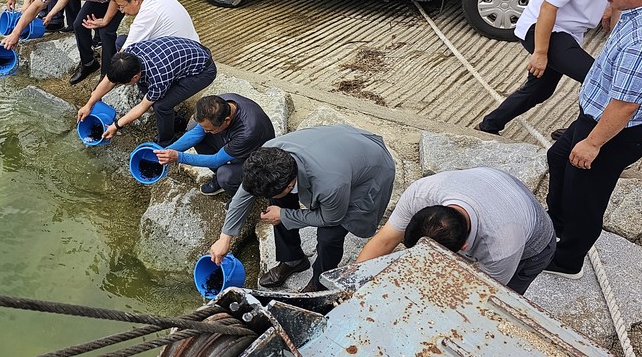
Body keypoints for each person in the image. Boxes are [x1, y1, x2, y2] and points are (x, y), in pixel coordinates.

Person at [476, 0, 642, 137]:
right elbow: (548, 7)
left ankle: (488, 125)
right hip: (543, 28)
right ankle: (581, 135)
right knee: (598, 79)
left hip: (569, 31)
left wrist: (610, 11)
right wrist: (540, 53)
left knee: (539, 90)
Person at [544, 0, 642, 280]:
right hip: (594, 116)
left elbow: (626, 104)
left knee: (584, 195)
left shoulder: (640, 43)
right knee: (558, 158)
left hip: (613, 129)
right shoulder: (633, 8)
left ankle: (568, 259)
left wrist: (593, 143)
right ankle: (555, 226)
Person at [208, 125, 395, 293]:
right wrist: (225, 237)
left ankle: (320, 281)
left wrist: (284, 215)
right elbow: (245, 191)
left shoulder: (330, 184)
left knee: (329, 235)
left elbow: (330, 218)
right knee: (275, 199)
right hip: (337, 146)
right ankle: (293, 259)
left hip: (372, 168)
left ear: (290, 185)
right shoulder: (270, 155)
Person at [356, 167, 555, 295]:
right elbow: (384, 241)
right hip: (493, 187)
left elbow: (482, 297)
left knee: (501, 310)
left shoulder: (501, 246)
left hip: (533, 247)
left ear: (465, 248)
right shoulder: (421, 194)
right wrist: (352, 286)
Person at [2, 0, 131, 84]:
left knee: (106, 31)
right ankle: (89, 63)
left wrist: (105, 20)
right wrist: (15, 34)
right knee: (79, 25)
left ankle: (108, 75)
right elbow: (35, 7)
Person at [78, 36, 217, 146]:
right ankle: (175, 121)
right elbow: (109, 80)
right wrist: (88, 105)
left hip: (202, 71)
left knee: (161, 106)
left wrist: (116, 125)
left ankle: (166, 142)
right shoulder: (128, 54)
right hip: (183, 55)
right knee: (147, 88)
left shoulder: (158, 77)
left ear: (135, 76)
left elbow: (143, 107)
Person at [155, 94, 275, 200]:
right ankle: (220, 177)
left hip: (258, 160)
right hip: (237, 146)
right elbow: (196, 133)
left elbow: (216, 160)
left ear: (226, 120)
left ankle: (240, 197)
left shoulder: (247, 131)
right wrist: (164, 152)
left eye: (210, 129)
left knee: (225, 175)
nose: (206, 131)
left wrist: (178, 157)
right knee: (195, 130)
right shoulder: (219, 104)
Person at [108, 0, 199, 51]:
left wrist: (110, 74)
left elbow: (124, 52)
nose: (122, 11)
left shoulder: (146, 16)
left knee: (122, 43)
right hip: (194, 44)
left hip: (183, 56)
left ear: (135, 0)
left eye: (122, 6)